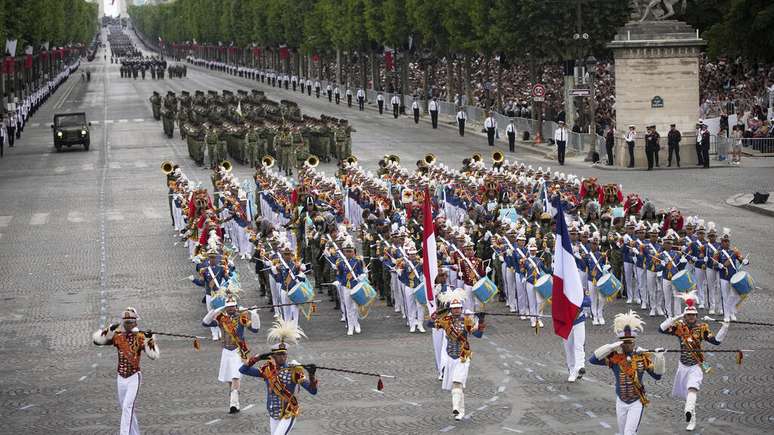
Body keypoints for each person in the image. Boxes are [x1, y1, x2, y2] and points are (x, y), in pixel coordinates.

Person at [659, 292, 729, 431]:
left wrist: (724, 327)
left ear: (696, 316)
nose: (691, 317)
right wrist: (675, 318)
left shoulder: (702, 328)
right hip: (682, 365)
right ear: (685, 316)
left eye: (693, 315)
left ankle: (688, 411)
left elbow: (716, 342)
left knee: (693, 389)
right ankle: (692, 419)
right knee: (688, 394)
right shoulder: (679, 328)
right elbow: (661, 329)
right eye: (688, 315)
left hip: (697, 365)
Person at [589, 310, 666, 435]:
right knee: (622, 432)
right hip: (621, 401)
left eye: (630, 341)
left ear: (634, 341)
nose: (628, 344)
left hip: (636, 401)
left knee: (629, 433)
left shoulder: (642, 357)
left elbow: (657, 376)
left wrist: (659, 358)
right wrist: (610, 347)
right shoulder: (614, 358)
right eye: (625, 342)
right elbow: (592, 360)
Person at [239, 319, 318, 435]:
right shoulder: (267, 370)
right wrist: (257, 358)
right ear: (273, 356)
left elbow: (313, 390)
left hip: (289, 412)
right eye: (279, 354)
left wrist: (311, 375)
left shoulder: (293, 371)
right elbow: (243, 370)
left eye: (284, 354)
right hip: (273, 413)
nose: (282, 357)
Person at [92, 308, 160, 435]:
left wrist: (149, 339)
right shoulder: (118, 336)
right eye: (126, 322)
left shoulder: (141, 337)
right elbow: (97, 341)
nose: (128, 324)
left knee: (127, 407)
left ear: (135, 322)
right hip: (120, 378)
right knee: (127, 409)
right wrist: (109, 329)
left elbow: (154, 355)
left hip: (134, 377)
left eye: (130, 322)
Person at [432, 288, 485, 421]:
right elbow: (429, 324)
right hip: (450, 356)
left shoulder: (467, 320)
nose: (456, 310)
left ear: (461, 308)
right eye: (454, 308)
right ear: (451, 308)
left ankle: (455, 407)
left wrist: (481, 321)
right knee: (457, 386)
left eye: (458, 308)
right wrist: (438, 313)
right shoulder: (445, 321)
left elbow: (478, 335)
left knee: (457, 382)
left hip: (463, 356)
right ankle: (460, 411)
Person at [202, 295, 261, 413]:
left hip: (238, 351)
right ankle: (236, 402)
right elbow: (205, 323)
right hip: (226, 351)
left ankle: (233, 404)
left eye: (232, 306)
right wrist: (213, 311)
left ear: (236, 306)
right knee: (230, 379)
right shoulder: (221, 318)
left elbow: (255, 329)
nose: (231, 309)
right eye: (228, 307)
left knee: (235, 376)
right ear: (225, 307)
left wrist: (254, 314)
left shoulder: (241, 318)